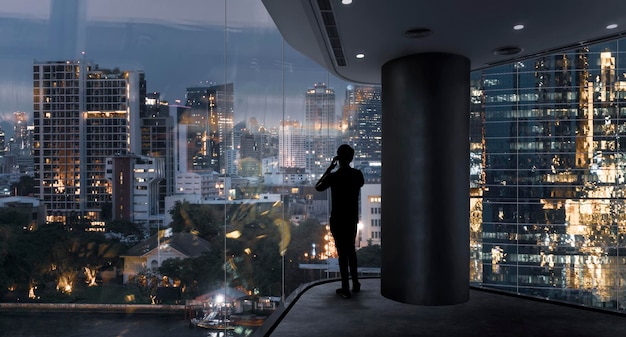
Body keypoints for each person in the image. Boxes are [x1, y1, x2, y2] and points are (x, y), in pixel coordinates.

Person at [315, 144, 364, 299]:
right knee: (351, 251)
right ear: (351, 158)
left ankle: (345, 287)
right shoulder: (357, 175)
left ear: (338, 158)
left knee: (342, 253)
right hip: (351, 217)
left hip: (338, 218)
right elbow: (360, 184)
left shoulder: (334, 177)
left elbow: (318, 187)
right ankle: (355, 283)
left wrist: (329, 169)